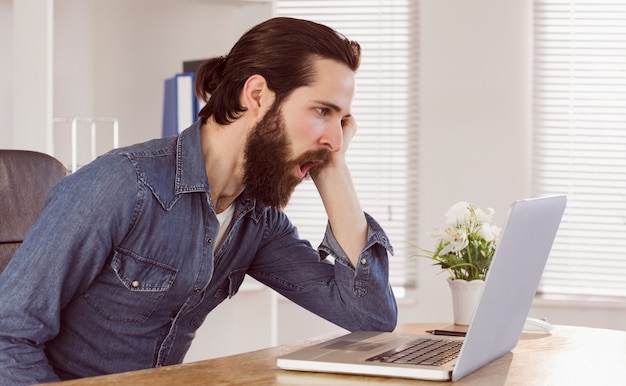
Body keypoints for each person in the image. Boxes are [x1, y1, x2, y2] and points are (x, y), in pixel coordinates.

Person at [0, 17, 397, 384]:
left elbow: (370, 316)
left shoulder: (257, 222)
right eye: (322, 111)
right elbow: (7, 339)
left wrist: (332, 170)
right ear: (256, 95)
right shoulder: (123, 184)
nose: (336, 138)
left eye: (342, 121)